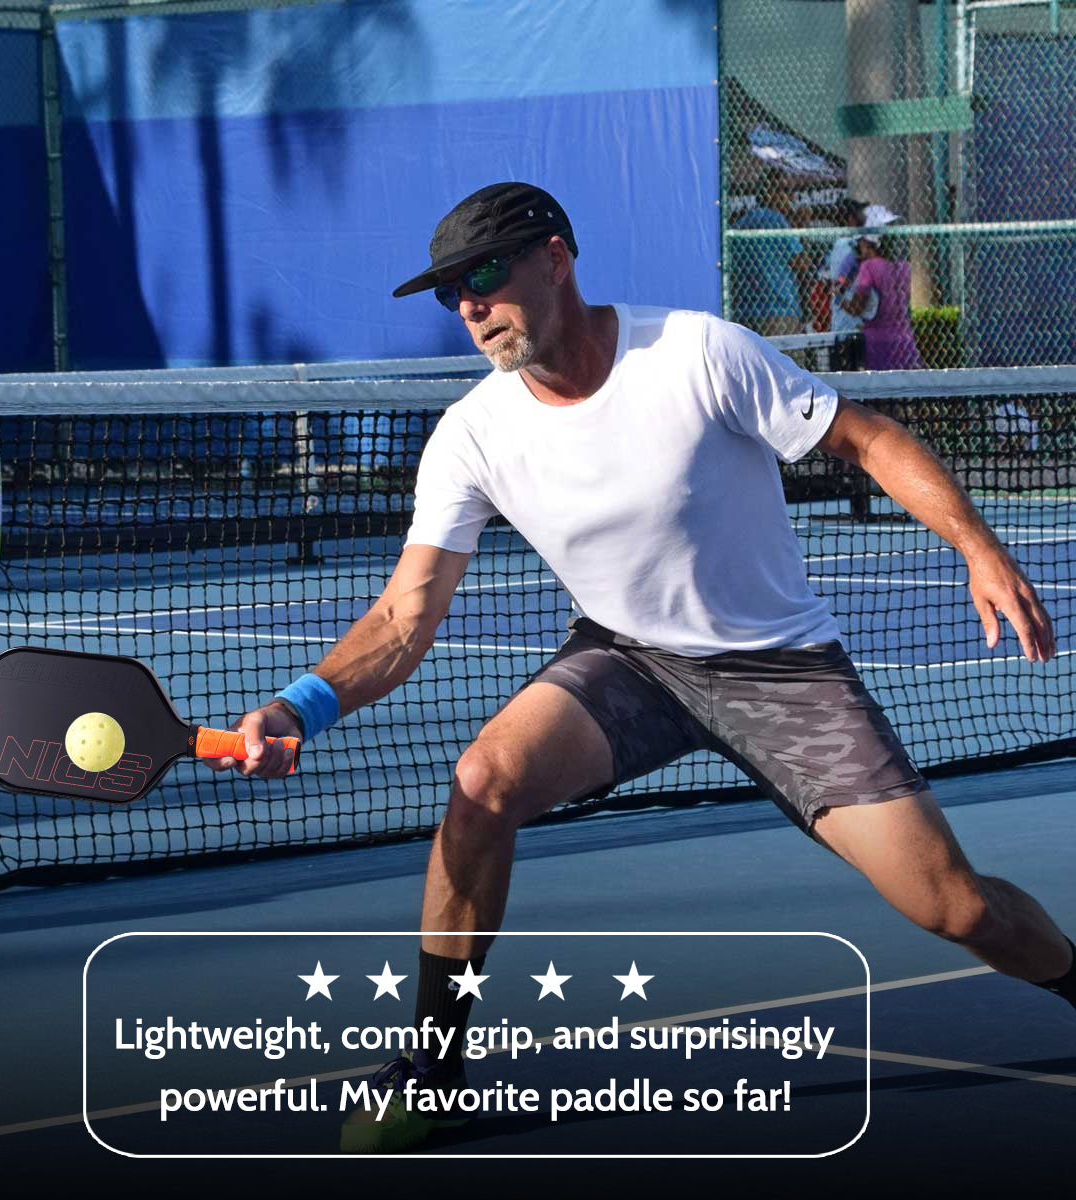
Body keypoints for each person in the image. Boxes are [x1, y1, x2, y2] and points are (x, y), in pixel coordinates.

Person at [212, 182, 1074, 1154]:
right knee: (482, 783)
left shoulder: (697, 353)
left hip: (781, 670)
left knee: (955, 908)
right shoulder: (472, 435)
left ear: (556, 259)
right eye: (452, 291)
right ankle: (434, 1070)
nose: (470, 306)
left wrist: (978, 547)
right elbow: (402, 618)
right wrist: (300, 705)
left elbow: (866, 438)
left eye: (485, 275)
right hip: (629, 662)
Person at [841, 206, 926, 370]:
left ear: (869, 242)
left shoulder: (869, 267)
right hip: (905, 341)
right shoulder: (904, 267)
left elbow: (858, 307)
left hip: (878, 343)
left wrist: (842, 302)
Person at [729, 169, 812, 337]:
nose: (792, 197)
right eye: (786, 190)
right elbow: (802, 263)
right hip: (780, 311)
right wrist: (803, 228)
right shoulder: (777, 220)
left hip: (744, 310)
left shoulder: (741, 223)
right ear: (770, 192)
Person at [825, 197, 866, 336]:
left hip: (848, 317)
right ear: (851, 219)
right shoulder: (847, 244)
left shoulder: (841, 244)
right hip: (849, 320)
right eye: (860, 214)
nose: (864, 218)